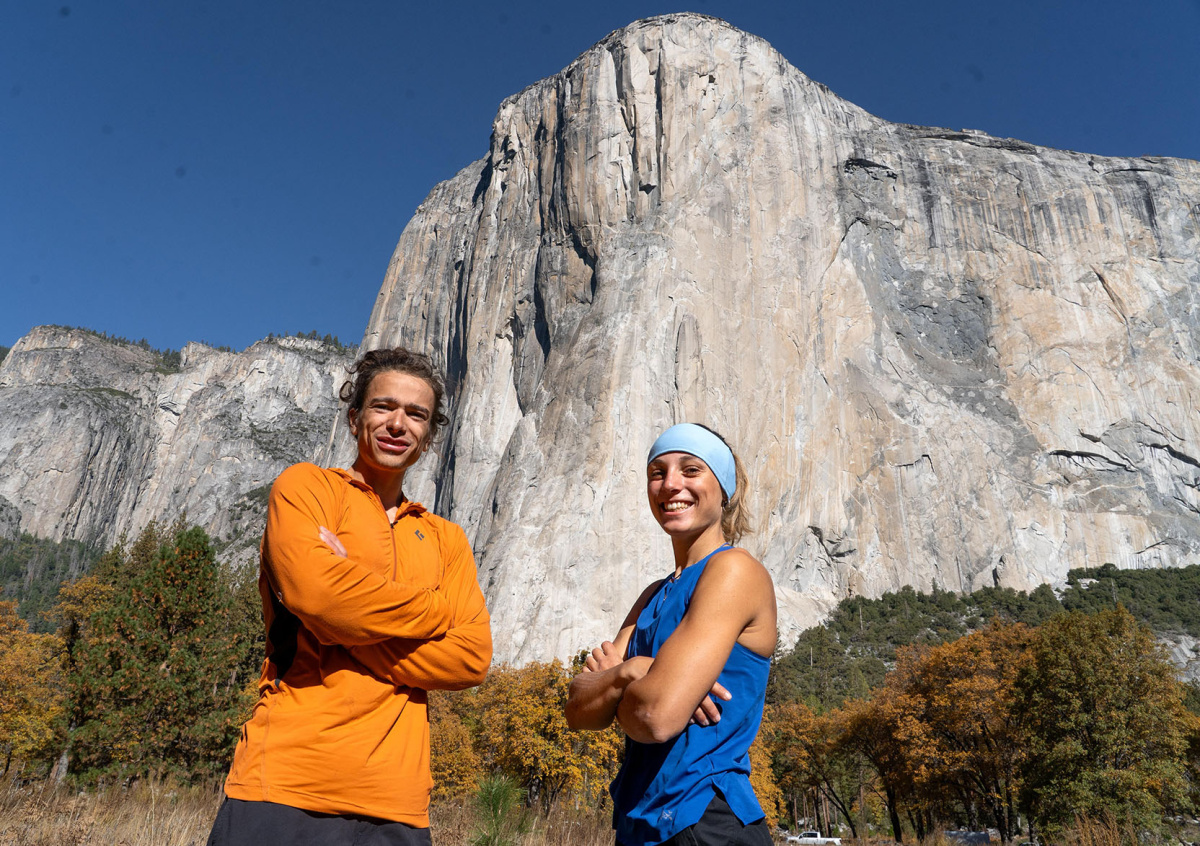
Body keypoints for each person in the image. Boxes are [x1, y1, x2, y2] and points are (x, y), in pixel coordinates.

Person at [207, 347, 492, 846]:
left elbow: (469, 659)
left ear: (429, 437)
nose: (397, 424)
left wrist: (347, 613)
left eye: (416, 414)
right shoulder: (307, 488)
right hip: (284, 787)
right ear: (355, 416)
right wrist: (437, 609)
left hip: (398, 808)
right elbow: (316, 596)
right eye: (383, 407)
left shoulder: (447, 537)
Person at [566, 423, 778, 846]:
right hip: (638, 824)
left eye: (691, 470)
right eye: (657, 472)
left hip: (705, 818)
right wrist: (635, 673)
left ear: (725, 490)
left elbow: (656, 718)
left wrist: (619, 689)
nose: (671, 484)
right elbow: (578, 711)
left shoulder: (733, 571)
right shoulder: (652, 596)